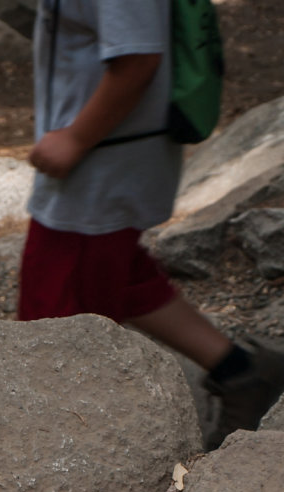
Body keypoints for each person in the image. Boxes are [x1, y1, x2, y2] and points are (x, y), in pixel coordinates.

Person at [19, 0, 284, 450]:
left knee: (52, 326)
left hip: (101, 165)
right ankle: (243, 373)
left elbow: (139, 56)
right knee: (118, 276)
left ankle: (64, 450)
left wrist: (75, 139)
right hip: (104, 158)